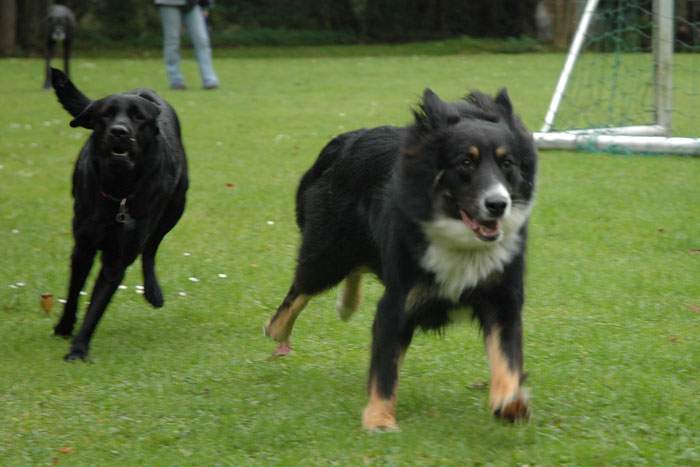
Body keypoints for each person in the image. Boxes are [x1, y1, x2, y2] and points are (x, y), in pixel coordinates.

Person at [155, 0, 219, 90]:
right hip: (168, 3)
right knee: (172, 41)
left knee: (201, 40)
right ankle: (176, 81)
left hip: (192, 3)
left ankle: (210, 80)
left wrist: (205, 4)